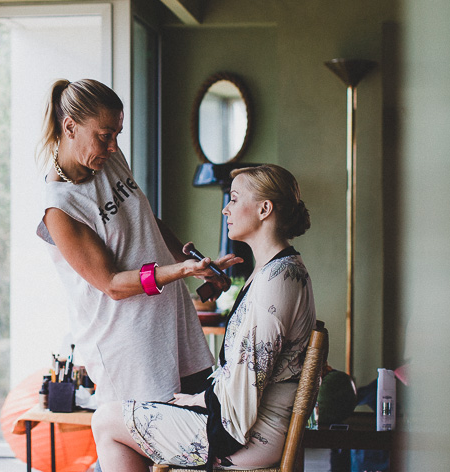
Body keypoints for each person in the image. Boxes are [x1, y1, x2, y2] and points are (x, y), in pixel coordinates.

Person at [91, 164, 316, 471]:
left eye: (235, 199)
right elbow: (243, 377)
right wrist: (199, 400)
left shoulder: (278, 281)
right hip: (245, 424)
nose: (226, 209)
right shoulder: (272, 272)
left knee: (106, 421)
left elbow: (246, 388)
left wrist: (203, 405)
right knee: (136, 415)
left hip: (247, 437)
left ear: (265, 209)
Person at [36, 78, 238, 403]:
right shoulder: (60, 208)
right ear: (70, 127)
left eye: (116, 134)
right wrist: (181, 271)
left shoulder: (108, 159)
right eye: (105, 136)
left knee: (201, 429)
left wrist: (198, 265)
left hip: (170, 316)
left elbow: (145, 221)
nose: (113, 146)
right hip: (128, 341)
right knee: (150, 443)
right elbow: (113, 284)